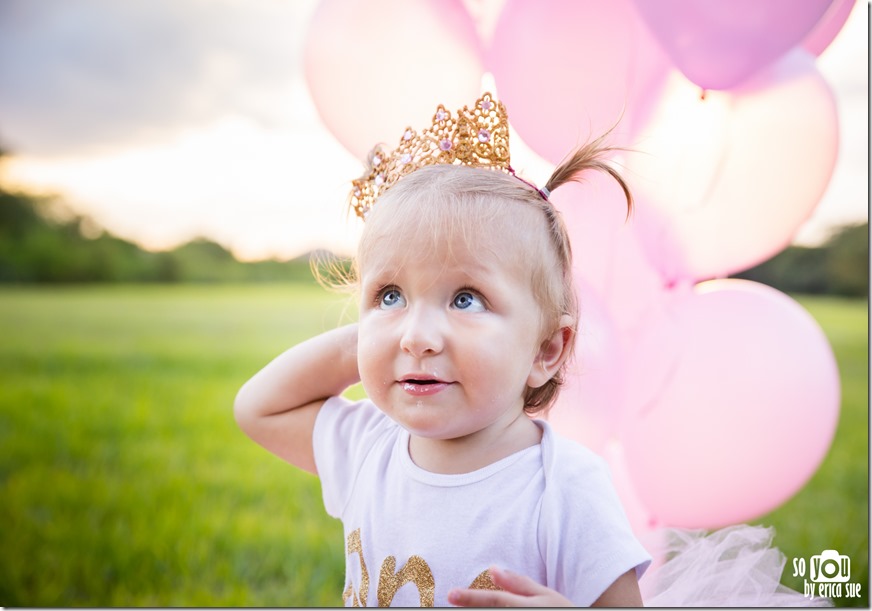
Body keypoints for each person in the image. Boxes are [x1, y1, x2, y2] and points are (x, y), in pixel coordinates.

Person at [234, 93, 651, 607]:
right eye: (390, 296)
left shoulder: (563, 488)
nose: (417, 336)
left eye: (465, 299)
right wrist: (374, 339)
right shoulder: (370, 448)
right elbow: (257, 408)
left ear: (546, 349)